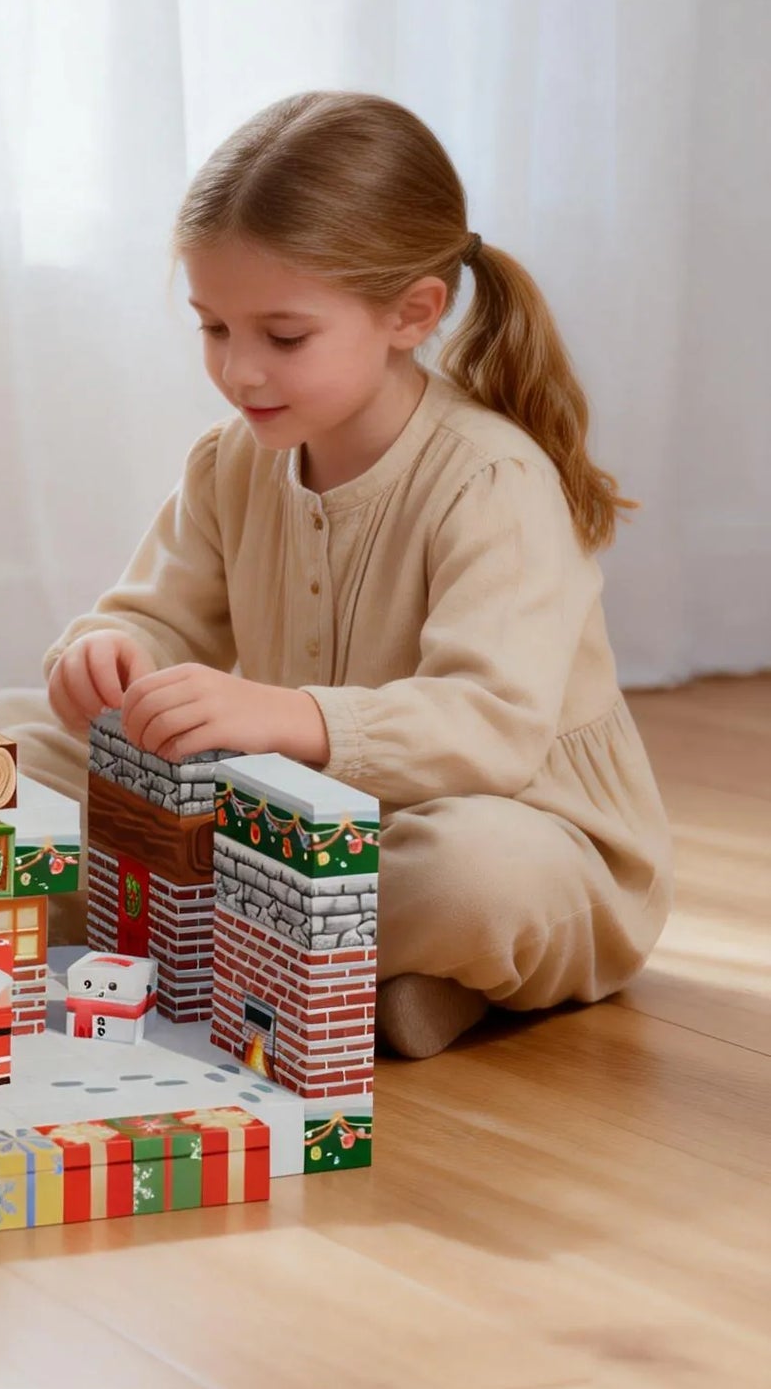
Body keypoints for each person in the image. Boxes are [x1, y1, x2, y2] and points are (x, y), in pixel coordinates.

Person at [39, 89, 671, 1058]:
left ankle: (223, 939)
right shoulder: (230, 460)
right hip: (286, 821)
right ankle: (327, 965)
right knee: (2, 751)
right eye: (213, 328)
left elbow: (490, 723)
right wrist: (104, 658)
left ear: (409, 313)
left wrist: (294, 716)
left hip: (503, 825)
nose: (239, 372)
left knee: (475, 877)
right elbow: (151, 615)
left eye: (281, 337)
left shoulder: (490, 479)